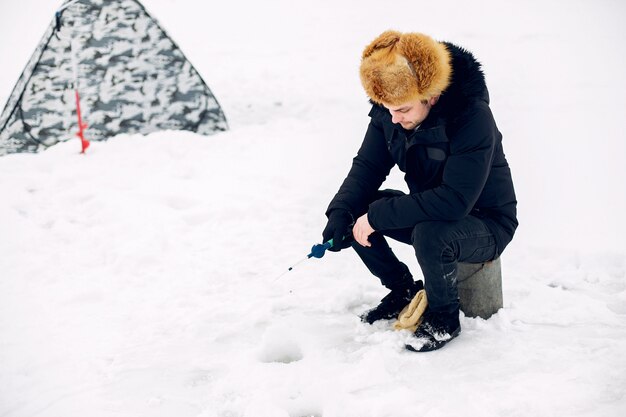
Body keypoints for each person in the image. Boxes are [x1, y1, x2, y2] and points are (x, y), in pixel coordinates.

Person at [322, 31, 518, 352]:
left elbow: (455, 201)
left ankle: (444, 318)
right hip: (433, 213)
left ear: (432, 95)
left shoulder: (472, 117)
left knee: (430, 234)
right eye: (387, 110)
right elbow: (367, 167)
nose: (394, 119)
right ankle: (402, 291)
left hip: (486, 223)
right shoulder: (392, 114)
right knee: (358, 211)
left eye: (402, 110)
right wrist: (340, 212)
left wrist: (377, 216)